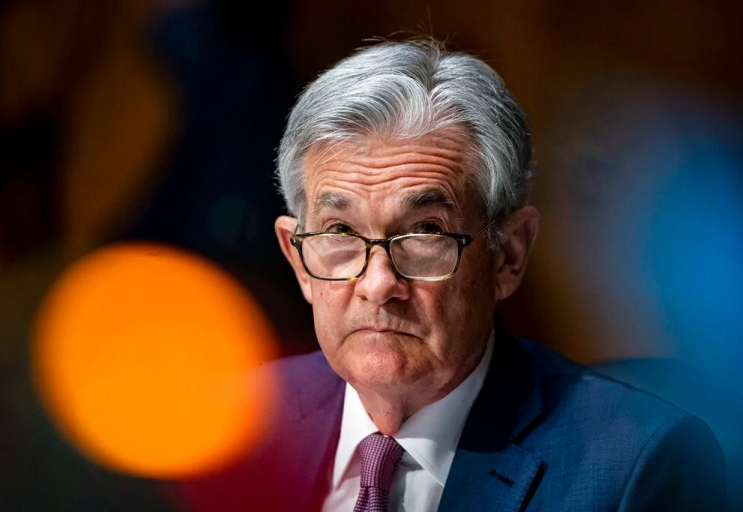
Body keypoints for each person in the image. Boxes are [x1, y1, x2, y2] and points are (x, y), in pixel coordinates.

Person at [182, 36, 727, 511]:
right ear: (297, 256)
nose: (377, 284)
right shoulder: (229, 428)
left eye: (424, 234)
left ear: (508, 255)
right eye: (341, 234)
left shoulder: (637, 466)